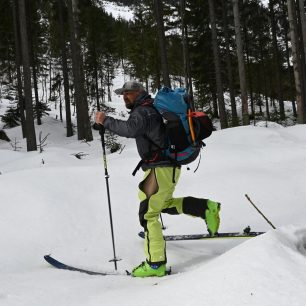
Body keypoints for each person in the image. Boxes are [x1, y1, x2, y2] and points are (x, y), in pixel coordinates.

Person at [95, 80, 220, 277]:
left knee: (148, 214)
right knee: (164, 204)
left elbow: (130, 130)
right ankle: (206, 208)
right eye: (122, 94)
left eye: (127, 93)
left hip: (158, 169)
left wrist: (106, 121)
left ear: (138, 93)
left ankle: (155, 264)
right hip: (167, 167)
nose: (124, 97)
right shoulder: (152, 108)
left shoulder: (143, 111)